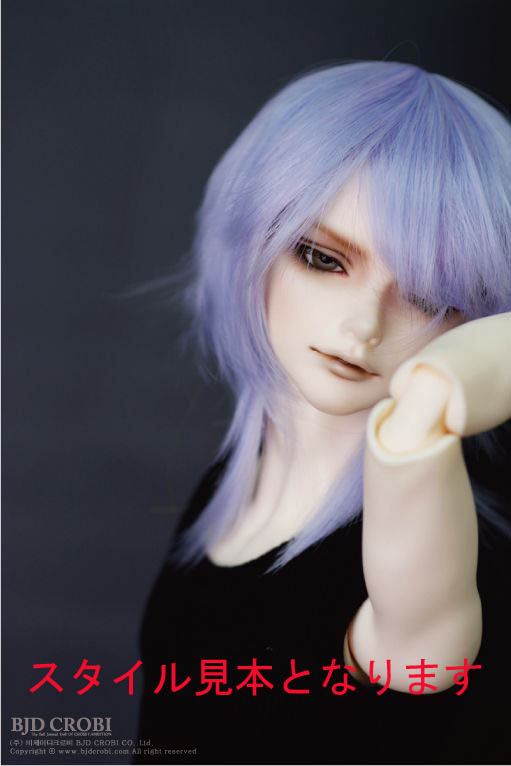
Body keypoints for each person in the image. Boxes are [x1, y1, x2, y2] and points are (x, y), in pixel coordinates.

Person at [135, 61, 511, 764]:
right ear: (252, 240)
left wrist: (431, 398)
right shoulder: (237, 479)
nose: (364, 327)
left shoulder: (426, 554)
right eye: (322, 257)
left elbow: (418, 658)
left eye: (430, 297)